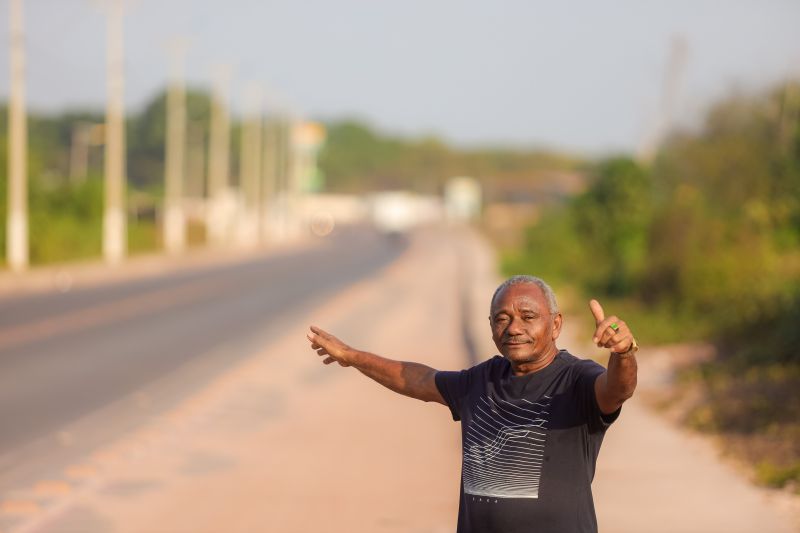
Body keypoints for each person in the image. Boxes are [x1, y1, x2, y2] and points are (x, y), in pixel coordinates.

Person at [306, 275, 638, 533]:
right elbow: (417, 379)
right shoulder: (481, 380)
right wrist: (351, 357)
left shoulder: (577, 379)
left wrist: (622, 354)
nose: (514, 328)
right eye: (502, 318)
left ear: (555, 325)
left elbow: (617, 390)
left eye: (527, 316)